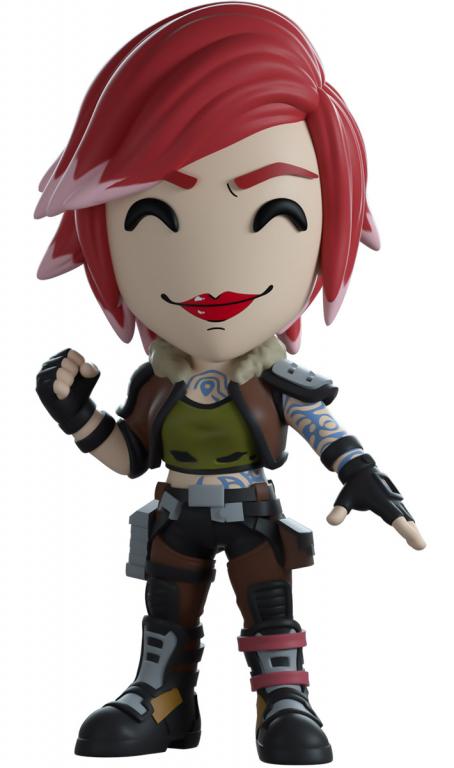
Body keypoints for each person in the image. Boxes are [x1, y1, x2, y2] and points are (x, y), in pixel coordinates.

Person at [35, 3, 426, 763]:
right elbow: (131, 455)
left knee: (270, 609)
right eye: (153, 215)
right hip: (175, 512)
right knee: (165, 617)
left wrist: (363, 474)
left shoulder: (278, 380)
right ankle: (162, 698)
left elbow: (321, 428)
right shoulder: (156, 384)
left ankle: (283, 700)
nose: (212, 269)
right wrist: (75, 414)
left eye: (275, 212)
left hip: (252, 512)